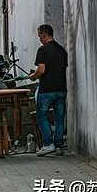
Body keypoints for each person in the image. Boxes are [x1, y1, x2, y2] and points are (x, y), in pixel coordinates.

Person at [29, 24, 68, 156]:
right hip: (61, 89)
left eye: (39, 35)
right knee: (59, 118)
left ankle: (47, 144)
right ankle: (58, 146)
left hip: (46, 90)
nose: (39, 37)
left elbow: (41, 70)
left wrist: (33, 76)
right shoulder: (62, 50)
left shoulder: (42, 50)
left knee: (41, 116)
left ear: (44, 34)